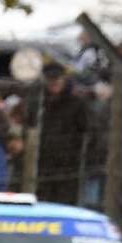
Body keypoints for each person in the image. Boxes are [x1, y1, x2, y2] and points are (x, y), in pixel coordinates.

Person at [36, 62, 88, 205]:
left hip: (68, 165)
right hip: (43, 164)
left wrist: (78, 154)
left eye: (57, 79)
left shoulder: (77, 103)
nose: (54, 83)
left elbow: (89, 132)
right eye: (50, 80)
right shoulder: (40, 102)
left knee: (65, 202)